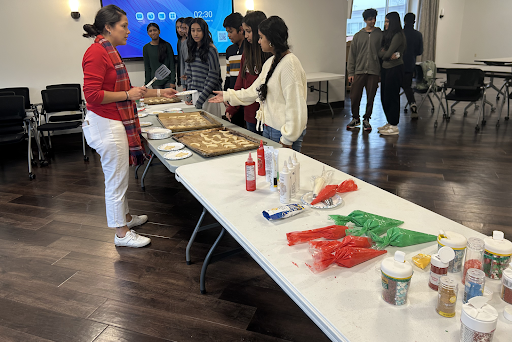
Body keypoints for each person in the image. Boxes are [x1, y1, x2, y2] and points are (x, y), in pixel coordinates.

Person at [82, 5, 177, 247]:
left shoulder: (110, 51)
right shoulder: (96, 52)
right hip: (106, 124)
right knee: (116, 180)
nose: (128, 31)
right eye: (123, 26)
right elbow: (92, 96)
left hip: (113, 121)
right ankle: (121, 233)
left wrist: (159, 92)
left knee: (120, 176)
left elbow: (132, 91)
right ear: (108, 27)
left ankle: (124, 218)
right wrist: (126, 94)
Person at [209, 16, 307, 152]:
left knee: (283, 172)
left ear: (271, 39)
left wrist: (287, 138)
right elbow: (252, 92)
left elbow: (296, 107)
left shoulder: (290, 64)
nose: (258, 41)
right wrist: (227, 96)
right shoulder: (271, 62)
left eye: (261, 37)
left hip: (282, 132)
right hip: (269, 128)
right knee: (270, 171)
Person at [225, 10, 272, 134]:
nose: (246, 36)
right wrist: (232, 106)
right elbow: (240, 82)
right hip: (250, 113)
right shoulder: (246, 53)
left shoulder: (269, 55)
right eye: (245, 31)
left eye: (249, 31)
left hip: (267, 116)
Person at [346, 8, 383, 132]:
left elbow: (383, 53)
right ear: (365, 20)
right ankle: (355, 118)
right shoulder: (357, 36)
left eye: (374, 18)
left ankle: (367, 119)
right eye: (370, 19)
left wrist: (380, 72)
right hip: (359, 71)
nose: (373, 21)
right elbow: (352, 56)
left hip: (374, 71)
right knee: (355, 96)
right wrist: (351, 72)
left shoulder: (380, 34)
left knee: (371, 97)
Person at [184, 18, 223, 116]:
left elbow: (213, 77)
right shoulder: (191, 49)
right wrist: (189, 95)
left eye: (199, 30)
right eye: (193, 30)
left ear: (204, 31)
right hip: (195, 95)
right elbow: (189, 75)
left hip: (209, 97)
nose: (195, 33)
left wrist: (201, 99)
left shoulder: (211, 50)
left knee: (212, 129)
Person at [378, 12, 406, 136]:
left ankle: (394, 125)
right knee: (385, 96)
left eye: (388, 21)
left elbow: (387, 53)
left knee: (392, 96)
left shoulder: (398, 35)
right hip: (386, 69)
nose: (385, 24)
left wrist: (385, 55)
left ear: (393, 22)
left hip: (395, 69)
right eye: (385, 21)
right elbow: (381, 52)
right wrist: (386, 55)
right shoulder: (388, 35)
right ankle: (390, 121)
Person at [222, 12, 246, 128]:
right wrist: (226, 95)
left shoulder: (250, 49)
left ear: (241, 30)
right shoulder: (229, 50)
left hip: (246, 100)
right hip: (233, 99)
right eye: (227, 32)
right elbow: (228, 77)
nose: (228, 35)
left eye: (230, 32)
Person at [402, 13, 423, 119]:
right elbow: (420, 51)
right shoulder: (418, 35)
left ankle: (393, 109)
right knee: (407, 87)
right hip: (409, 65)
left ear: (404, 21)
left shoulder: (399, 33)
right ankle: (412, 103)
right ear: (414, 22)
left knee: (394, 87)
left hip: (396, 65)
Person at [143, 23, 176, 89]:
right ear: (148, 33)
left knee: (170, 99)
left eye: (155, 30)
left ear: (159, 31)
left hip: (168, 81)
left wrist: (173, 81)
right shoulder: (146, 48)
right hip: (155, 82)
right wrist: (146, 84)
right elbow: (147, 67)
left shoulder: (167, 45)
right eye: (150, 31)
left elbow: (172, 64)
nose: (153, 32)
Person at [179, 17, 193, 87]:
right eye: (183, 28)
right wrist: (183, 84)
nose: (184, 31)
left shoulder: (200, 44)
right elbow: (183, 64)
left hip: (199, 81)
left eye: (185, 28)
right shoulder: (184, 43)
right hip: (188, 82)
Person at [175, 17, 184, 87]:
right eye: (177, 27)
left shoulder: (191, 41)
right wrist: (179, 79)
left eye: (181, 27)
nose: (179, 30)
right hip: (183, 75)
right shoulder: (179, 41)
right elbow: (180, 61)